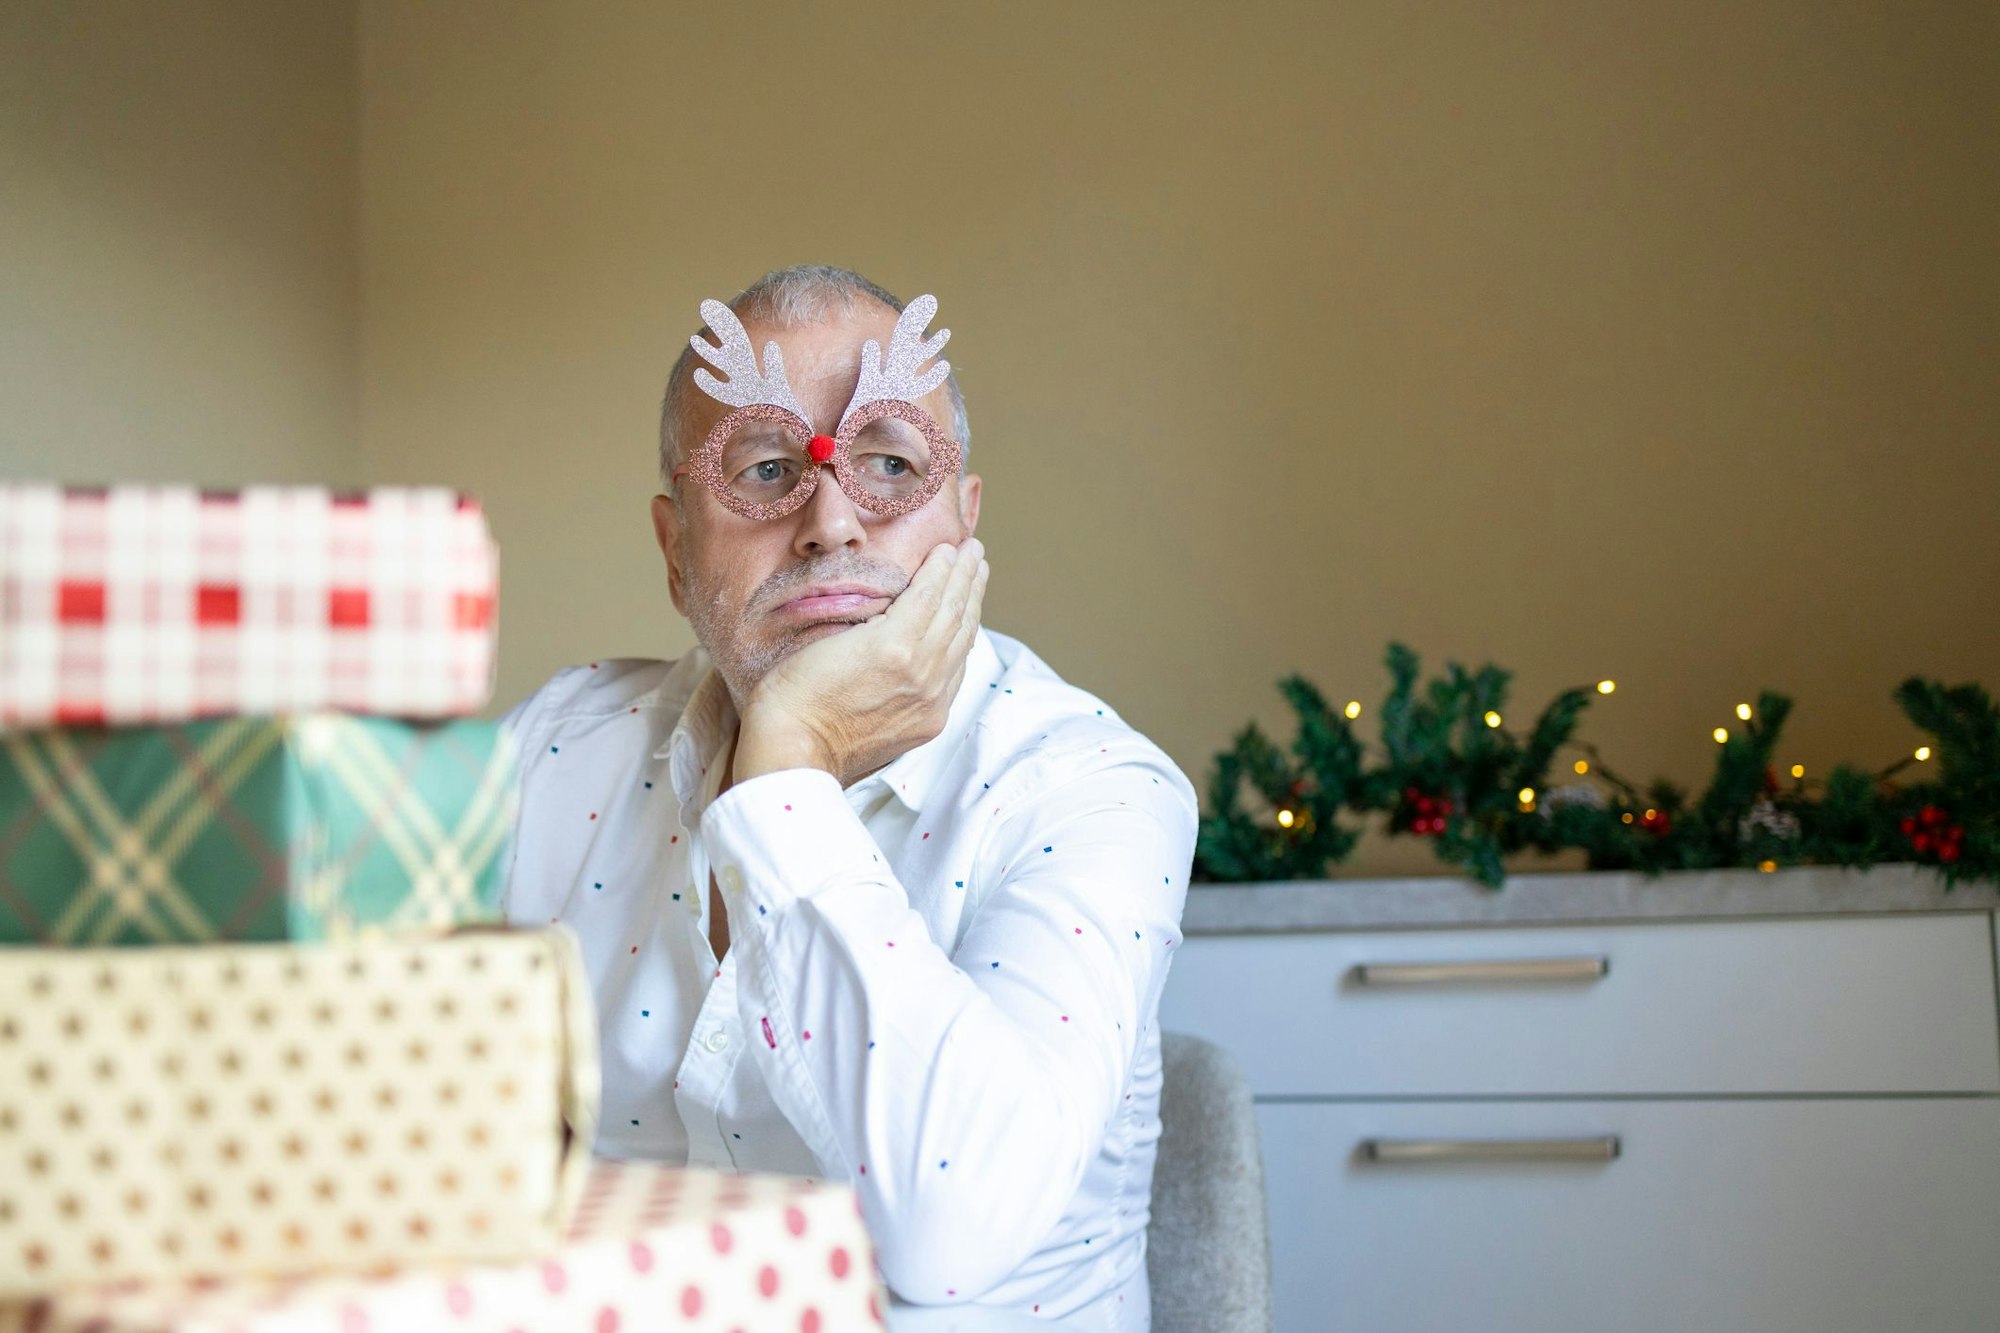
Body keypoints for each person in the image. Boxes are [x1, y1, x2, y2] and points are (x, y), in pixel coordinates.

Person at [500, 264, 1197, 1329]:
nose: (830, 521)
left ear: (962, 524)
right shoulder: (553, 756)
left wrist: (788, 761)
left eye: (887, 464)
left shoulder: (1094, 793)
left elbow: (944, 1233)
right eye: (766, 468)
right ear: (676, 551)